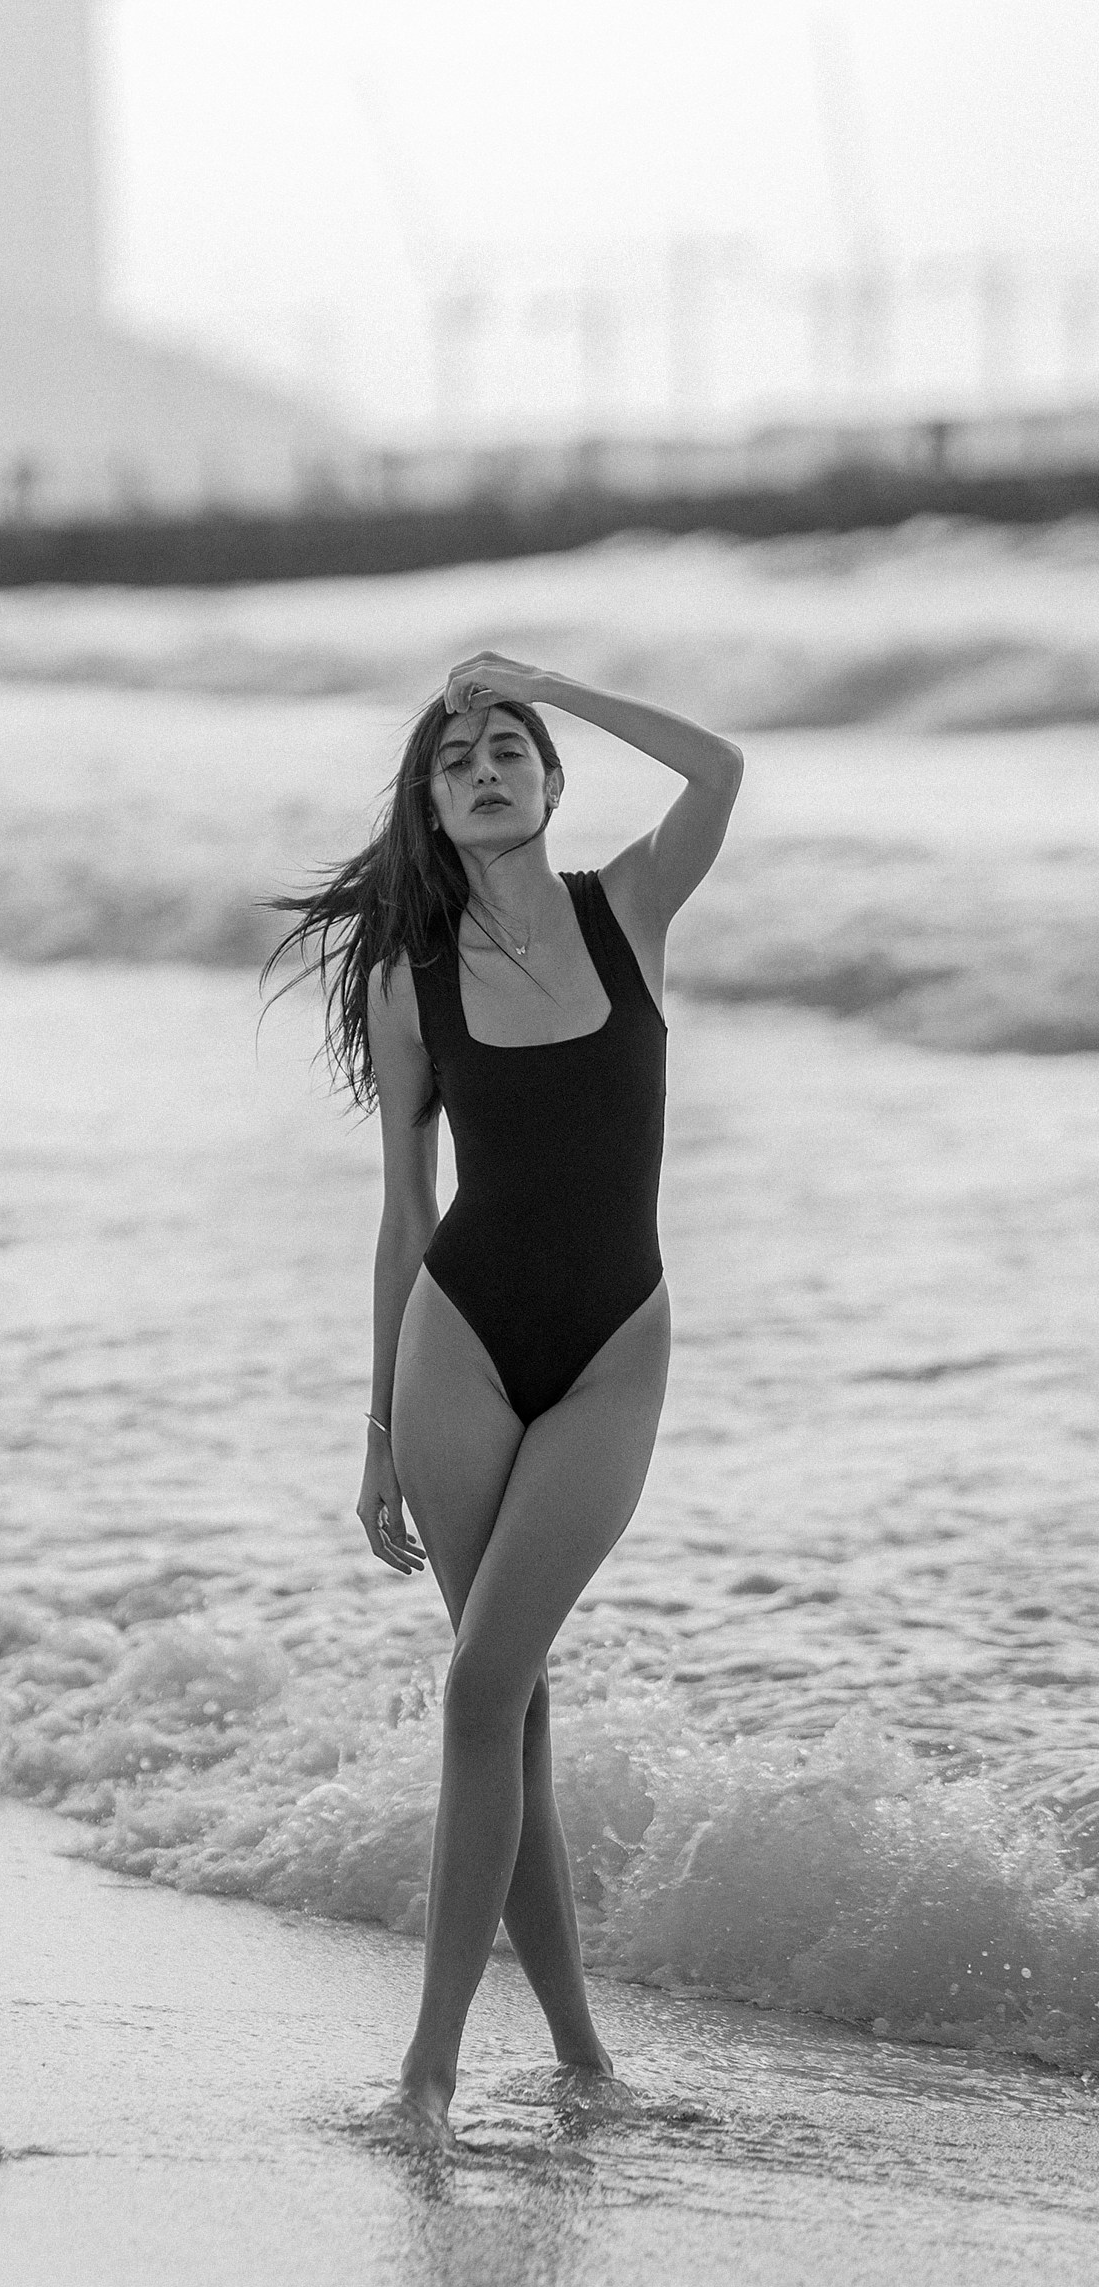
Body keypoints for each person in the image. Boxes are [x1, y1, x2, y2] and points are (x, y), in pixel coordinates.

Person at [267, 650, 743, 2141]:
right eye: (454, 757)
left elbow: (721, 769)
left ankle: (435, 2077)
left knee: (486, 1688)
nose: (484, 767)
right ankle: (571, 2069)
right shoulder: (411, 978)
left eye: (509, 749)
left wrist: (548, 677)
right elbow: (407, 1216)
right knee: (506, 1701)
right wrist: (375, 1434)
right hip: (457, 1344)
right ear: (429, 802)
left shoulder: (631, 913)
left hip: (615, 1344)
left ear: (550, 782)